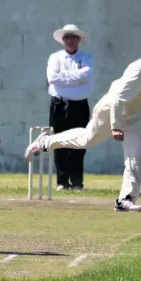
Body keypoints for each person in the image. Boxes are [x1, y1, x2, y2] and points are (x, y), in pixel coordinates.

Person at [26, 38, 141, 212]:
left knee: (137, 155)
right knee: (87, 140)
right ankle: (45, 142)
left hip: (137, 115)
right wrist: (115, 126)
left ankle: (125, 199)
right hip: (111, 109)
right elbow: (119, 98)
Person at [47, 24, 93, 190]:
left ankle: (77, 180)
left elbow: (86, 76)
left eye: (73, 37)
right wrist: (75, 78)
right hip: (59, 104)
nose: (70, 40)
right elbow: (53, 78)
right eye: (67, 37)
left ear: (78, 39)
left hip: (80, 105)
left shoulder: (86, 57)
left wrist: (64, 77)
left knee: (79, 142)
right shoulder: (55, 57)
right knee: (59, 142)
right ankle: (62, 181)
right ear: (63, 40)